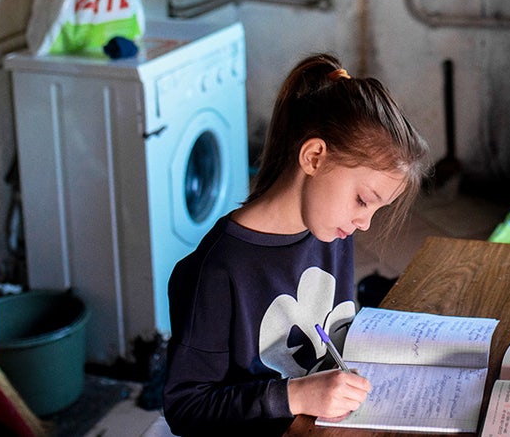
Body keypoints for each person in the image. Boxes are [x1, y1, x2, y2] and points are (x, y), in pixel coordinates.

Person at [163, 53, 431, 435]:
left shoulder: (331, 231)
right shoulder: (219, 269)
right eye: (362, 200)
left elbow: (333, 337)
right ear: (314, 157)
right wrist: (294, 396)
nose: (364, 223)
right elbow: (186, 407)